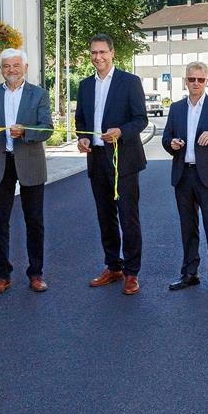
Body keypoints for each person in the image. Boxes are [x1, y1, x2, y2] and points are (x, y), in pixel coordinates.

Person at [0, 48, 53, 296]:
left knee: (34, 221)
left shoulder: (38, 94)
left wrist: (25, 132)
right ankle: (2, 275)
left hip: (30, 163)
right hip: (1, 162)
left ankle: (36, 273)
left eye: (16, 65)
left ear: (25, 67)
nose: (11, 70)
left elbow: (47, 128)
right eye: (6, 66)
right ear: (1, 69)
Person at [75, 34, 148, 296]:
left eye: (103, 52)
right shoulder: (84, 86)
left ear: (113, 53)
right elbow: (80, 122)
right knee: (105, 217)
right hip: (96, 160)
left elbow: (141, 120)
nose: (98, 57)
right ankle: (113, 266)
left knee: (128, 218)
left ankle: (131, 273)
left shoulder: (129, 82)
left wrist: (121, 131)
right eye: (94, 53)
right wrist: (82, 138)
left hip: (123, 160)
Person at [162, 61, 208, 293]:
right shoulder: (176, 108)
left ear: (207, 81)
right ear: (185, 81)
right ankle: (189, 273)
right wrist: (171, 144)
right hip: (183, 174)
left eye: (200, 80)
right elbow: (166, 139)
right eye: (192, 79)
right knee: (188, 226)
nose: (196, 83)